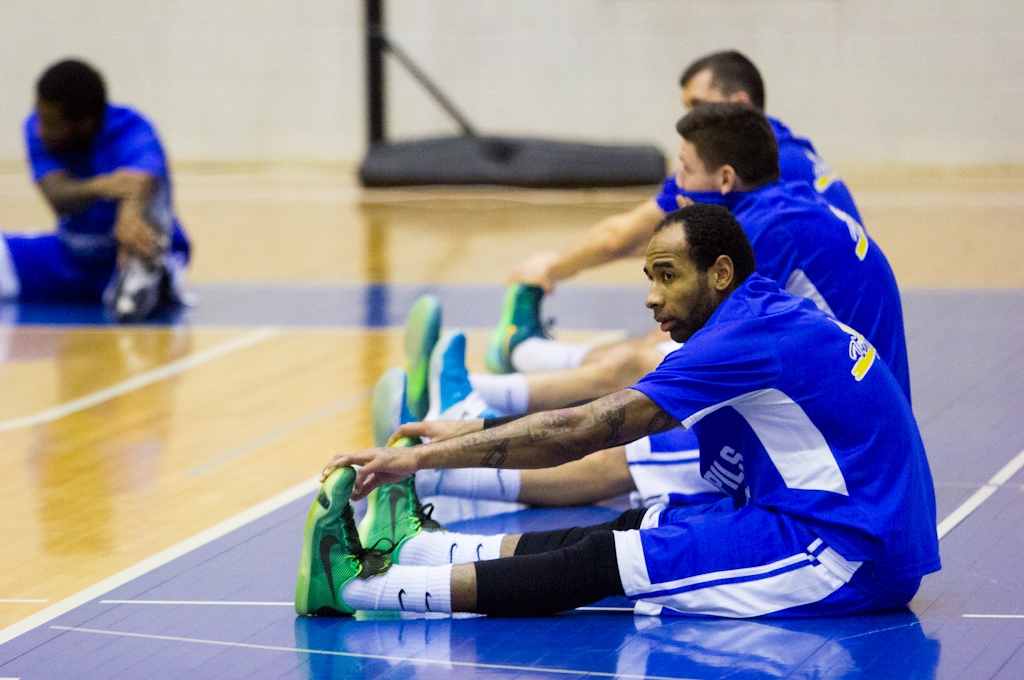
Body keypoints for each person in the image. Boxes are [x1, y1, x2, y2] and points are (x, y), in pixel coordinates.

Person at [296, 204, 940, 619]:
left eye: (666, 276)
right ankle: (424, 549)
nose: (651, 297)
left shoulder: (740, 342)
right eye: (648, 277)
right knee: (628, 525)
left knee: (605, 567)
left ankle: (356, 590)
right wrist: (464, 430)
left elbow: (578, 432)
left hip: (849, 553)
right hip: (830, 513)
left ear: (719, 273)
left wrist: (422, 458)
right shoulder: (756, 311)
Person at [487, 50, 858, 376]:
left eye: (698, 105)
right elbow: (659, 239)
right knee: (650, 347)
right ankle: (527, 358)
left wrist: (550, 269)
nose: (690, 121)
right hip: (842, 346)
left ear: (739, 103)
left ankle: (519, 358)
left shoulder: (747, 183)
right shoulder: (776, 151)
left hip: (824, 370)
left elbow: (624, 238)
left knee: (649, 358)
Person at [0, 59, 191, 321]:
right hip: (71, 255)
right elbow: (58, 196)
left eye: (52, 124)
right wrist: (100, 186)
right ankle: (131, 286)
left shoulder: (132, 128)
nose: (41, 130)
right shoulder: (36, 129)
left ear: (85, 123)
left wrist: (129, 213)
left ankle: (150, 275)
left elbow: (142, 176)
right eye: (40, 116)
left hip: (125, 252)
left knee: (148, 206)